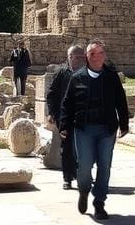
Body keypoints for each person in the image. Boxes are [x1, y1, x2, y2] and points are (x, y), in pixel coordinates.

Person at [59, 39, 129, 221]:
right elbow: (68, 103)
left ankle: (99, 202)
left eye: (99, 53)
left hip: (107, 129)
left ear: (104, 56)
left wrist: (124, 124)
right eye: (92, 54)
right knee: (84, 166)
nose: (96, 57)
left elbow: (121, 101)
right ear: (86, 57)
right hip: (84, 129)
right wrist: (64, 126)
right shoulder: (77, 77)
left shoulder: (112, 77)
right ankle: (83, 191)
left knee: (104, 166)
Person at [47, 44, 86, 189]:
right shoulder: (61, 73)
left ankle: (82, 173)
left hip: (84, 117)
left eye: (83, 57)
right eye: (77, 57)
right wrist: (52, 113)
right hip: (65, 117)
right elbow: (52, 94)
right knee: (67, 148)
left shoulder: (89, 72)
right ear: (69, 57)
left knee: (85, 148)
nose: (81, 60)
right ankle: (67, 177)